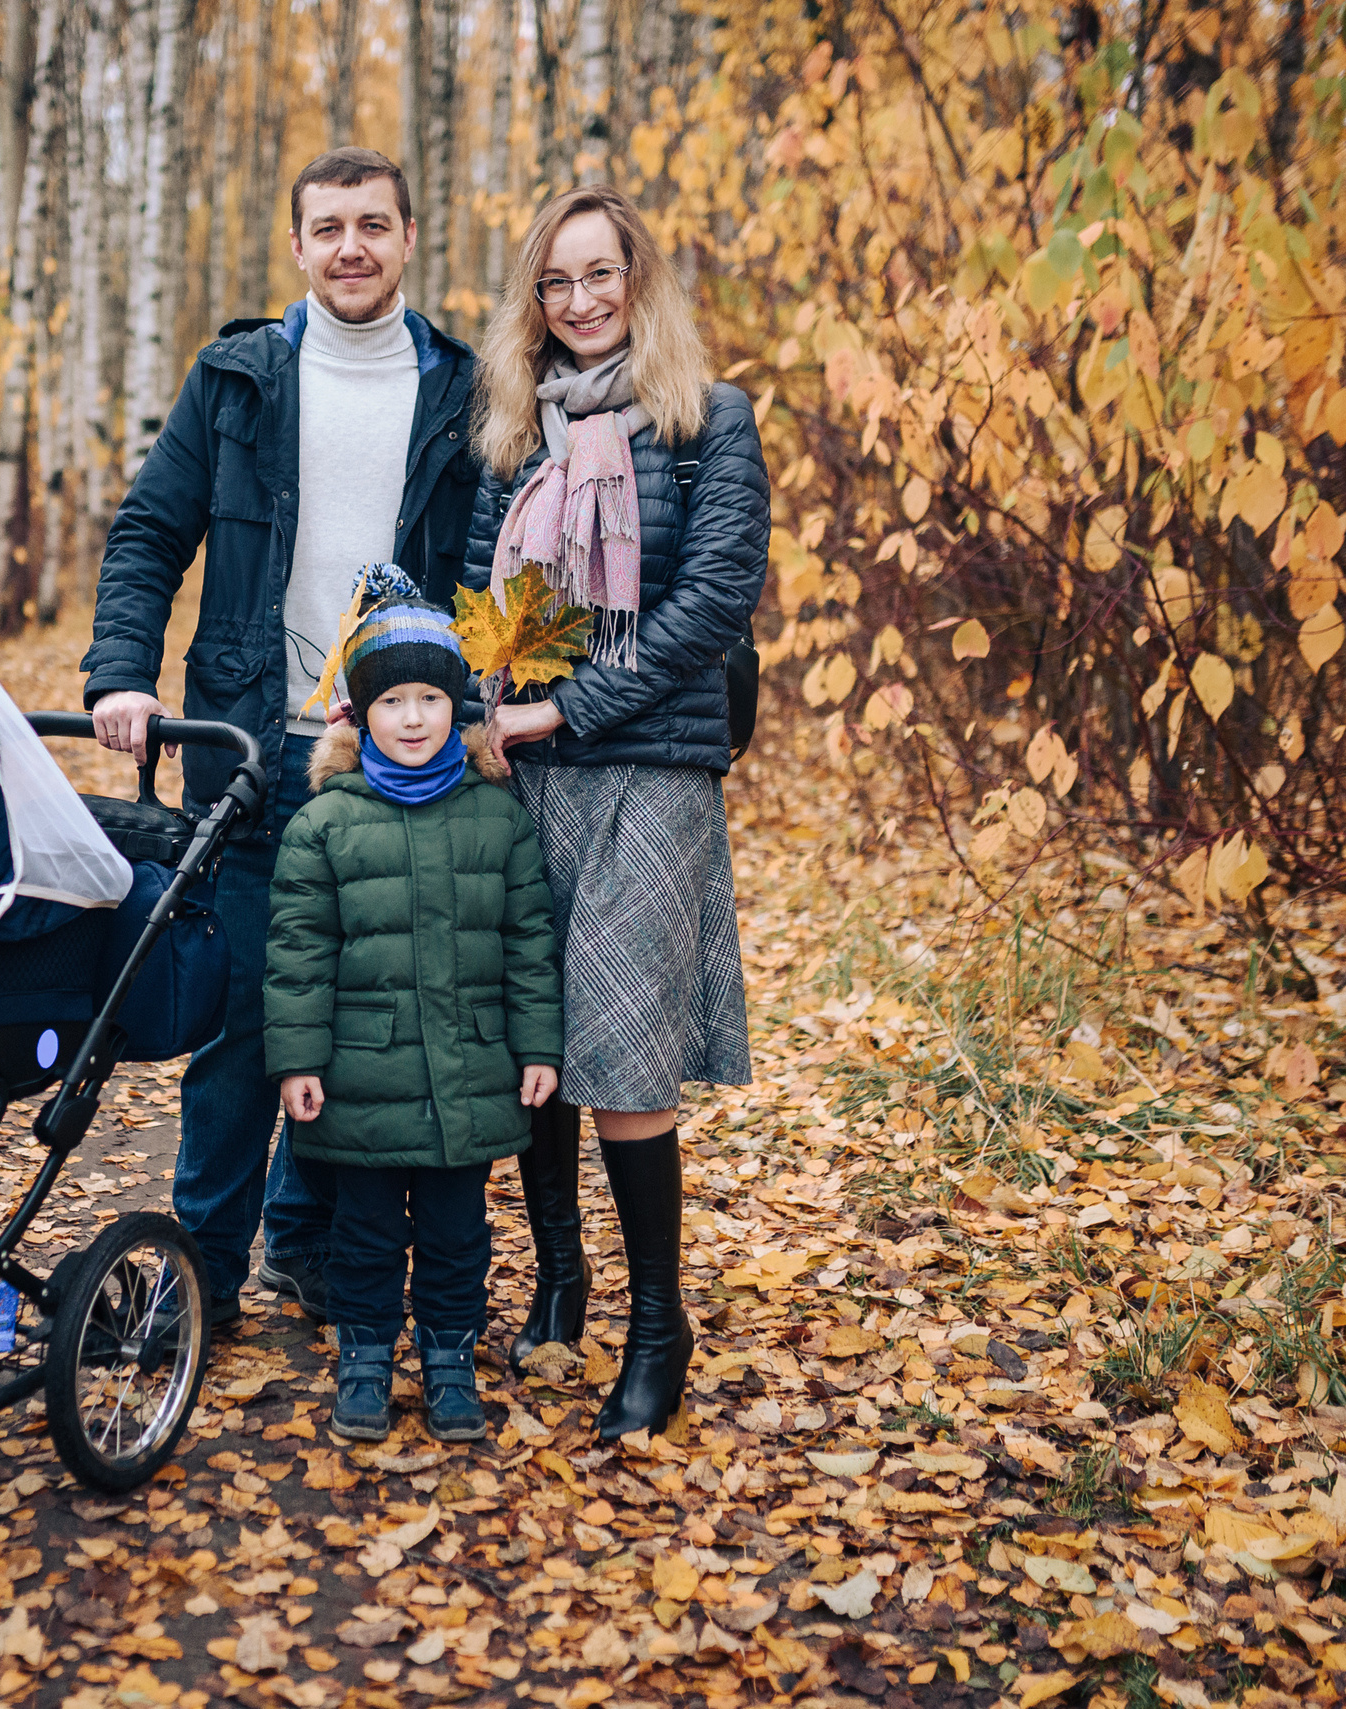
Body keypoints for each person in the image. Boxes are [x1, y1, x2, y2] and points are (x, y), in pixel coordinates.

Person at [83, 148, 482, 1328]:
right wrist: (120, 673)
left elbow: (492, 563)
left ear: (408, 236)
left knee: (359, 1021)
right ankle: (199, 1268)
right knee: (250, 1018)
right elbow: (151, 531)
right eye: (327, 227)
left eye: (373, 224)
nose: (350, 246)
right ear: (297, 246)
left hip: (393, 754)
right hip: (252, 746)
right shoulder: (239, 378)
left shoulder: (462, 387)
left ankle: (302, 1242)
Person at [461, 184, 769, 1440]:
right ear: (532, 306)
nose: (581, 301)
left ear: (639, 282)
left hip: (651, 764)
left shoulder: (710, 422)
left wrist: (569, 708)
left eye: (601, 275)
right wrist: (454, 709)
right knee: (537, 1038)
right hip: (523, 772)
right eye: (556, 283)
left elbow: (713, 604)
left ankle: (657, 1320)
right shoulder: (509, 438)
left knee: (626, 1051)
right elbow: (469, 596)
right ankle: (556, 1279)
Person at [263, 578, 561, 1441]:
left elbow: (528, 942)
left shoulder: (495, 816)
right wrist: (298, 1062)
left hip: (467, 1071)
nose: (415, 716)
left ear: (456, 706)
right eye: (392, 699)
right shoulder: (325, 825)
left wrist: (537, 1046)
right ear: (361, 712)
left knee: (455, 1231)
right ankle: (364, 1357)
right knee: (361, 1233)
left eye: (432, 696)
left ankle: (448, 1357)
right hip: (363, 1072)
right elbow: (298, 957)